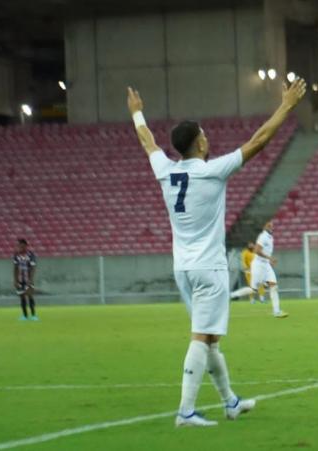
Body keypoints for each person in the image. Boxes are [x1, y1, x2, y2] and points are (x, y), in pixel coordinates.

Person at [127, 77, 306, 427]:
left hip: (183, 269)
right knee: (202, 338)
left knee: (210, 340)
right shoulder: (211, 172)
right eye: (205, 134)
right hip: (209, 268)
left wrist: (137, 114)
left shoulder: (166, 170)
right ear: (200, 142)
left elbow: (146, 140)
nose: (209, 138)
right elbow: (259, 141)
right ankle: (186, 412)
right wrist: (286, 105)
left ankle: (230, 402)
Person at [249, 221, 286, 318]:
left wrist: (269, 261)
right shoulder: (263, 236)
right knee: (253, 289)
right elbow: (257, 251)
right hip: (258, 265)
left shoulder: (270, 237)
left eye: (272, 225)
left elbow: (265, 251)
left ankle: (277, 311)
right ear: (265, 227)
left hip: (265, 265)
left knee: (274, 286)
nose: (272, 227)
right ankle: (233, 295)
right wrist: (269, 258)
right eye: (269, 225)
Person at [13, 239, 38, 321]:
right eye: (19, 246)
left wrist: (31, 279)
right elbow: (15, 268)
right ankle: (25, 316)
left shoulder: (31, 255)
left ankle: (33, 315)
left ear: (26, 246)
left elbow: (33, 268)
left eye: (22, 246)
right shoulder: (16, 256)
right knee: (22, 297)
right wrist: (15, 280)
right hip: (20, 280)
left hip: (28, 280)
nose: (20, 248)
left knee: (30, 296)